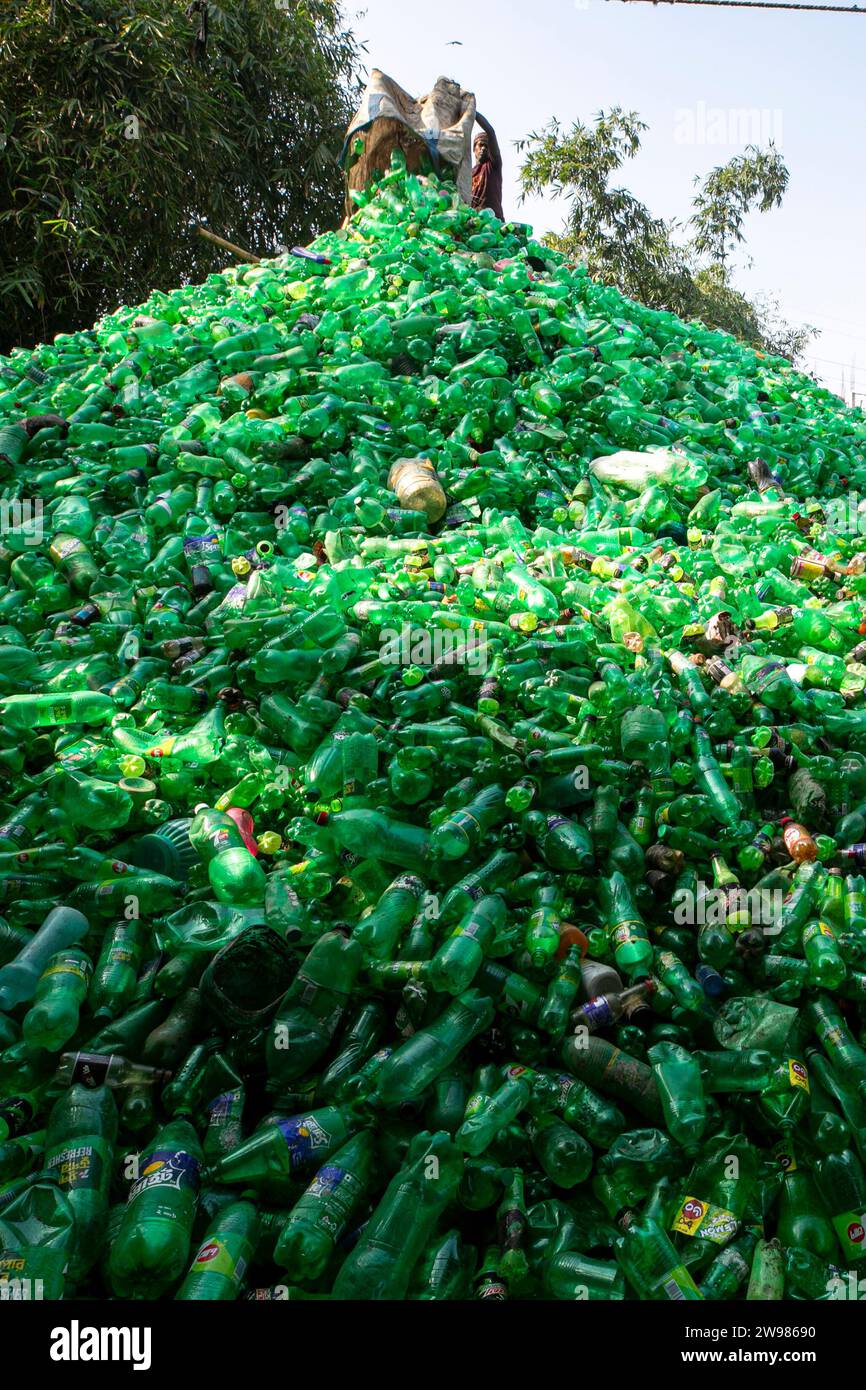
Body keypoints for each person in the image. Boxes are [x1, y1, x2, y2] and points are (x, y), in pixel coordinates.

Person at [471, 114, 503, 220]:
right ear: (474, 148)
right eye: (480, 145)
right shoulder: (467, 174)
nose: (484, 148)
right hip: (474, 222)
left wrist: (472, 111)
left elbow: (490, 132)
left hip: (494, 220)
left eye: (487, 146)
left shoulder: (493, 166)